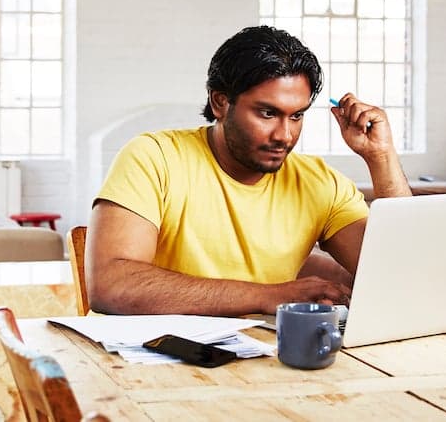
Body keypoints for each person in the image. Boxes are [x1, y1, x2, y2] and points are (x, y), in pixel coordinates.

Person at [86, 26, 411, 316]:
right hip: (142, 362)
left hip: (256, 363)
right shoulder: (154, 157)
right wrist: (268, 296)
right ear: (220, 103)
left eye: (297, 116)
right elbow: (113, 284)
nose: (284, 135)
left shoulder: (320, 183)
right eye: (268, 113)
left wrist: (380, 157)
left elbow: (401, 274)